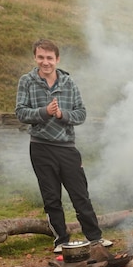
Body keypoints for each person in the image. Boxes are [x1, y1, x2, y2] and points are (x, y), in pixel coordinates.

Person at [15, 39, 111, 253]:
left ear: (57, 59)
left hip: (67, 148)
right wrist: (44, 112)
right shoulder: (27, 81)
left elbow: (81, 114)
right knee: (51, 198)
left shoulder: (69, 83)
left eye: (49, 58)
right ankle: (61, 241)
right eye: (41, 57)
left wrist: (61, 114)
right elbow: (20, 113)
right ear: (35, 58)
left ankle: (95, 238)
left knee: (80, 194)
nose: (45, 62)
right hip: (40, 148)